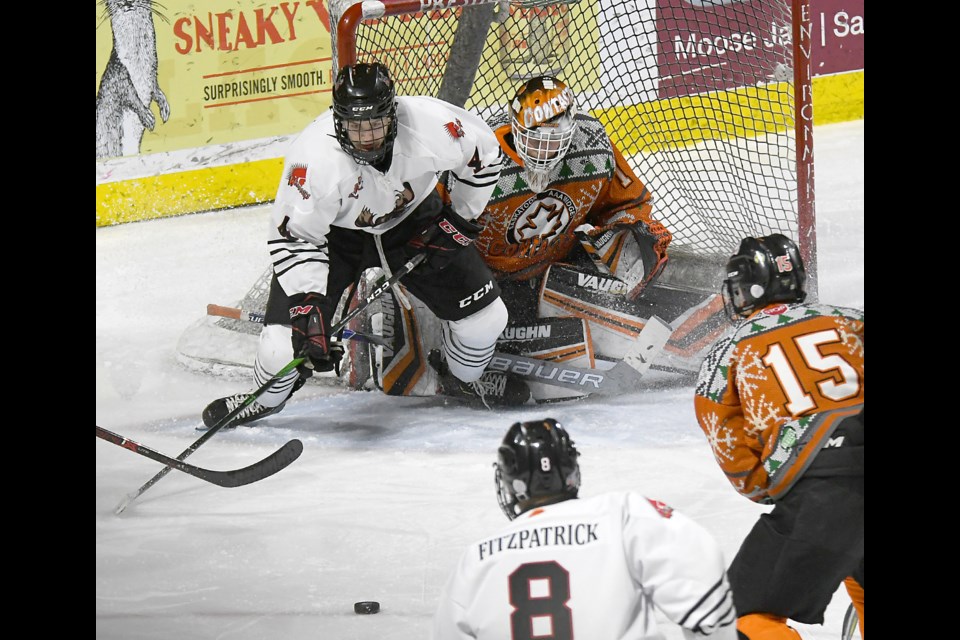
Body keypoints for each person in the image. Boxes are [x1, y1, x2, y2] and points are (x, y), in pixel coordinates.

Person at [201, 61, 515, 428]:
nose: (366, 136)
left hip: (416, 221)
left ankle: (458, 375)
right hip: (338, 237)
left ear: (393, 115)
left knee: (487, 321)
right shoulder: (312, 160)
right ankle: (264, 398)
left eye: (376, 124)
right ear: (338, 121)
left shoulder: (432, 125)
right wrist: (308, 308)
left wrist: (458, 221)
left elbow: (484, 154)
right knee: (279, 346)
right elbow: (296, 237)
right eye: (355, 125)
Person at [693, 234, 864, 639]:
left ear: (743, 288)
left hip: (827, 494)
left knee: (742, 616)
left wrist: (773, 487)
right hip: (841, 491)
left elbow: (732, 446)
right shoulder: (853, 318)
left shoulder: (727, 352)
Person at [432, 418, 739, 639]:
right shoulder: (622, 514)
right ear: (571, 471)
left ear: (513, 483)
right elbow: (700, 570)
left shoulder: (477, 559)